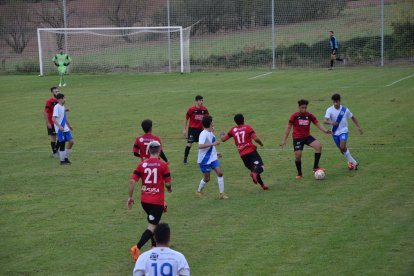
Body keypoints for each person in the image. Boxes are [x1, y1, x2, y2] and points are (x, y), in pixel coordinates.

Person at [128, 141, 172, 261]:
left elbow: (132, 181)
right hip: (156, 202)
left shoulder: (142, 164)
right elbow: (167, 183)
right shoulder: (163, 165)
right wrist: (169, 189)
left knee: (154, 222)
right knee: (152, 227)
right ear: (159, 151)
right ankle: (137, 247)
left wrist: (130, 197)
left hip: (145, 202)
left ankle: (154, 246)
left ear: (148, 151)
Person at [280, 99, 331, 179]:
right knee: (298, 156)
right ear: (299, 107)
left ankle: (315, 167)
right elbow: (288, 128)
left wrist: (325, 130)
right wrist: (284, 139)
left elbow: (317, 123)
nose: (304, 109)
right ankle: (299, 173)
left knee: (318, 146)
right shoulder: (294, 116)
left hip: (307, 137)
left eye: (305, 107)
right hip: (297, 138)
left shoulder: (309, 115)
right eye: (302, 107)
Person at [221, 113, 268, 190]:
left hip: (243, 155)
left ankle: (263, 185)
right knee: (260, 167)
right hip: (251, 152)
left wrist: (222, 135)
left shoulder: (233, 130)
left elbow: (223, 139)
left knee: (254, 169)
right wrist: (261, 143)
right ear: (243, 119)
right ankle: (255, 175)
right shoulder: (247, 127)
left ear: (235, 121)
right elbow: (255, 139)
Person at [323, 93, 363, 170]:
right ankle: (351, 163)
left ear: (339, 101)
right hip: (334, 133)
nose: (335, 103)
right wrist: (331, 123)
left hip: (343, 131)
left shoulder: (345, 110)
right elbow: (325, 120)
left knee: (342, 146)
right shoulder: (329, 110)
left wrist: (358, 127)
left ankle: (353, 162)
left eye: (336, 102)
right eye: (334, 102)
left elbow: (353, 117)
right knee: (342, 150)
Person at [197, 115, 228, 199]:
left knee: (220, 173)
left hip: (212, 158)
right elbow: (200, 146)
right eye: (212, 121)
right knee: (207, 179)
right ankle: (199, 191)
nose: (213, 122)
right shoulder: (203, 134)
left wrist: (216, 153)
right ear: (210, 123)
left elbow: (211, 145)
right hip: (204, 160)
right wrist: (213, 144)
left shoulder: (211, 131)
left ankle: (221, 194)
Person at [183, 95, 209, 165]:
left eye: (202, 100)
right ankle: (185, 159)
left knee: (202, 145)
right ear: (196, 101)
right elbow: (186, 119)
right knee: (189, 144)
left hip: (201, 130)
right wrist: (185, 129)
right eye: (200, 100)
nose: (201, 102)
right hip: (192, 130)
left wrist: (211, 127)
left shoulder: (204, 109)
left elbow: (208, 119)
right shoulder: (191, 109)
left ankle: (203, 159)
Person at [52, 93, 74, 165]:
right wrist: (59, 127)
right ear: (60, 99)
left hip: (65, 128)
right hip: (60, 129)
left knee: (71, 141)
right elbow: (53, 118)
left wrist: (69, 125)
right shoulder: (57, 107)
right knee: (62, 144)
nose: (65, 99)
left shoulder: (62, 106)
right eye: (64, 98)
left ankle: (65, 157)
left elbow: (63, 117)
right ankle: (62, 161)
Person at [43, 86, 60, 157]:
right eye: (56, 92)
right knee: (53, 137)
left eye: (58, 91)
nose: (57, 92)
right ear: (52, 93)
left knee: (61, 136)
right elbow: (45, 112)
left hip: (58, 122)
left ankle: (56, 151)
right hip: (52, 122)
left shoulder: (59, 100)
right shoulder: (50, 101)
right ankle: (55, 152)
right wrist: (48, 123)